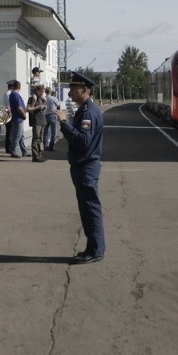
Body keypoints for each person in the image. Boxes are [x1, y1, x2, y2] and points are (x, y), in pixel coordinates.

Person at [56, 71, 105, 264]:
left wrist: (63, 123)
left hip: (86, 167)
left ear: (84, 90)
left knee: (90, 208)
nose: (69, 92)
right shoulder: (85, 110)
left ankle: (95, 250)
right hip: (84, 167)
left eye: (73, 88)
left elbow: (82, 141)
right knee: (87, 208)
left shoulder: (88, 113)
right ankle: (94, 248)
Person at [7, 80, 28, 157]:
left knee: (21, 136)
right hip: (18, 118)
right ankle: (14, 151)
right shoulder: (15, 95)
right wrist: (24, 115)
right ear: (19, 87)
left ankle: (24, 151)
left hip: (17, 118)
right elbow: (19, 107)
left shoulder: (12, 94)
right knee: (17, 135)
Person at [26, 85, 46, 162]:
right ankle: (35, 156)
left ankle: (39, 154)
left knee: (40, 139)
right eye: (41, 91)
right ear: (37, 91)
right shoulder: (32, 98)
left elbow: (41, 107)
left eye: (43, 91)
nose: (42, 93)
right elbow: (28, 109)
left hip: (42, 120)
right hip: (36, 121)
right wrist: (38, 107)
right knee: (36, 138)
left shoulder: (41, 98)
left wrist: (43, 106)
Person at [43, 86, 60, 151]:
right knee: (53, 132)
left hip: (45, 115)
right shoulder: (54, 98)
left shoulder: (44, 98)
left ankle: (45, 146)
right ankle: (51, 147)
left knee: (45, 132)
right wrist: (58, 114)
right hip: (52, 115)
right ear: (51, 92)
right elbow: (58, 106)